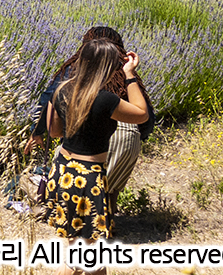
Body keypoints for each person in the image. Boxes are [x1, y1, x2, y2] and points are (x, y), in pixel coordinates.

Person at [44, 38, 148, 272]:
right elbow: (142, 114)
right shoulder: (106, 100)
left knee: (77, 247)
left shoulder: (61, 90)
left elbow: (54, 131)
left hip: (62, 173)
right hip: (88, 180)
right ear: (109, 68)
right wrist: (130, 74)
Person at [28, 26, 153, 202]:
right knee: (106, 196)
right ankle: (107, 212)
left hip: (76, 157)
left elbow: (49, 102)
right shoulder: (122, 77)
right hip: (126, 139)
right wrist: (130, 75)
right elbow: (146, 116)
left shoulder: (69, 78)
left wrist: (37, 131)